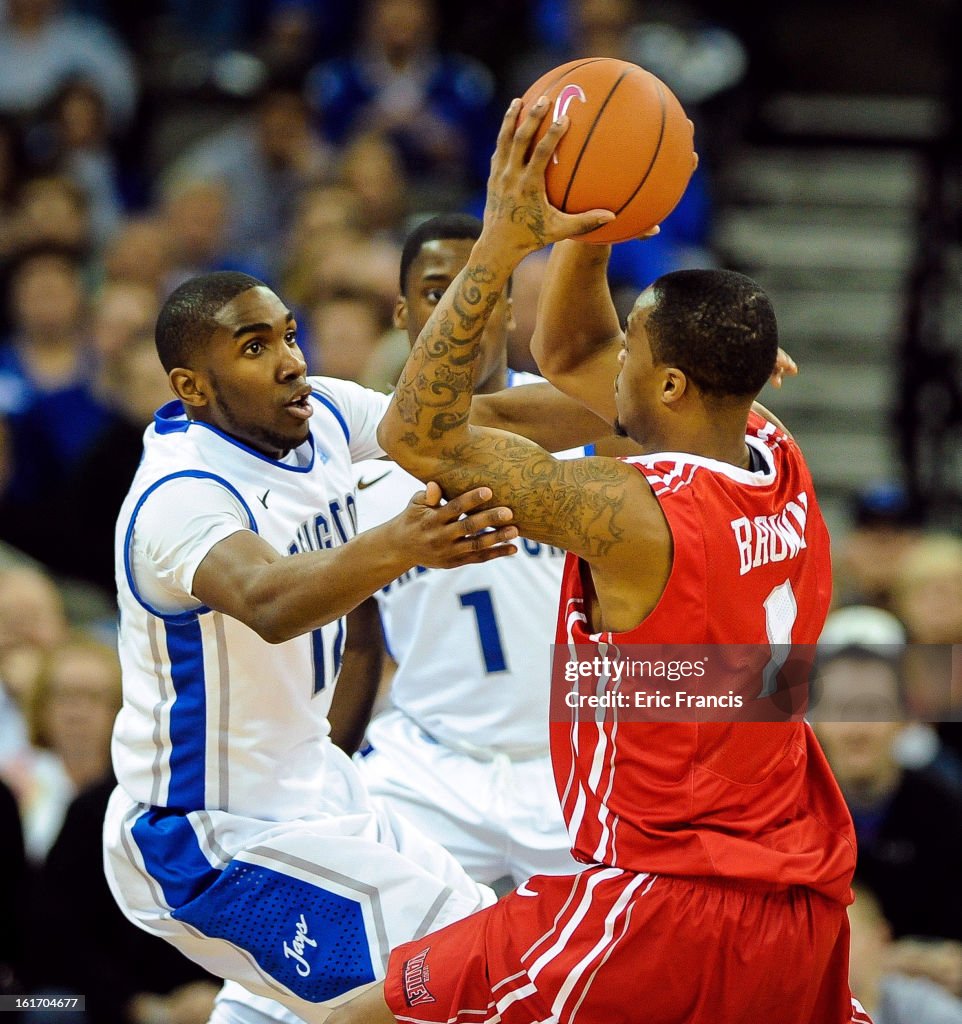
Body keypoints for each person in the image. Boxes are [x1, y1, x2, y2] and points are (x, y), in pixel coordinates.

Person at [328, 98, 868, 1023]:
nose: (602, 367)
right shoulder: (775, 450)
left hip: (660, 899)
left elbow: (415, 431)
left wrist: (500, 247)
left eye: (634, 351)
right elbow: (574, 346)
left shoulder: (633, 513)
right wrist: (597, 223)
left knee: (352, 1016)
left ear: (667, 385)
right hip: (797, 898)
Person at [102, 268, 615, 1022]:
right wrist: (401, 544)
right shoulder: (180, 497)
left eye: (287, 333)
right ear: (193, 386)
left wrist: (676, 390)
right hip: (207, 836)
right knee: (462, 981)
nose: (290, 359)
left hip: (314, 788)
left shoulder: (326, 418)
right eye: (254, 347)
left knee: (470, 956)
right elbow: (269, 602)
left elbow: (493, 413)